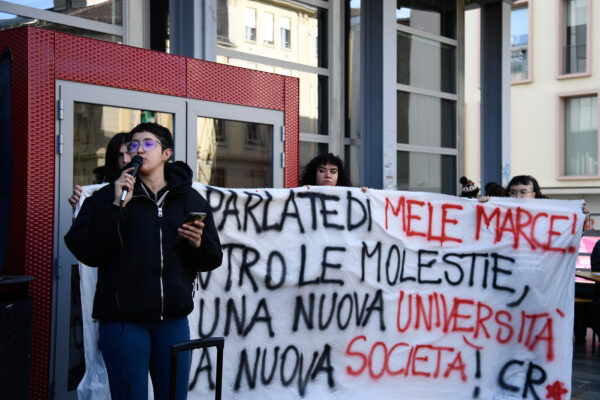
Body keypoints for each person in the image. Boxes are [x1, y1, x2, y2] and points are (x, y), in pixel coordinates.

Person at [65, 123, 223, 400]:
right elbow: (87, 251)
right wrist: (116, 208)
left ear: (166, 154)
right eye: (133, 145)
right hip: (124, 323)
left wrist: (197, 243)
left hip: (173, 321)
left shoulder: (189, 199)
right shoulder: (106, 197)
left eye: (148, 144)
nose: (139, 150)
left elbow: (212, 258)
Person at [68, 132, 131, 210]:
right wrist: (79, 208)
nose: (125, 160)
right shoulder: (100, 189)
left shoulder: (145, 186)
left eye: (128, 153)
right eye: (120, 155)